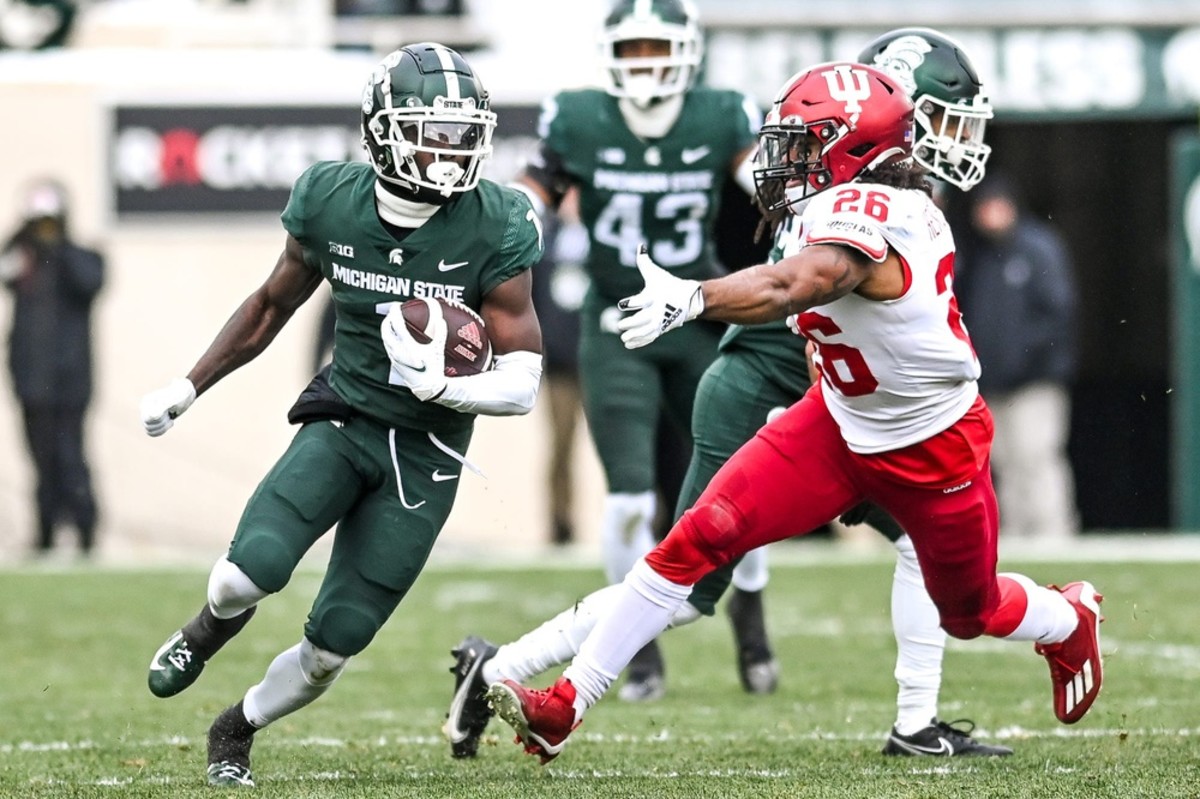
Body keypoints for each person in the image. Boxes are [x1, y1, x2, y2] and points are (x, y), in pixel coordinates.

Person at [485, 59, 1104, 765]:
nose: (783, 159)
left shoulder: (881, 211)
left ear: (854, 150)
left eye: (804, 144)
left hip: (933, 443)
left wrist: (696, 296)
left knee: (972, 610)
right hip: (837, 423)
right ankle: (563, 706)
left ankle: (1066, 616)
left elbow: (797, 282)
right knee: (693, 541)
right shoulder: (837, 201)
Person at [138, 42, 544, 787]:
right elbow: (270, 306)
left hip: (427, 452)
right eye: (432, 130)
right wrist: (190, 385)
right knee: (243, 575)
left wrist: (446, 389)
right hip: (346, 418)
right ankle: (204, 631)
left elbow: (522, 379)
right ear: (382, 130)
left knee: (335, 644)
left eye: (463, 133)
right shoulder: (329, 199)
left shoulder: (495, 222)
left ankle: (236, 725)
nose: (452, 151)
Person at [504, 0, 775, 705]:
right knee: (628, 496)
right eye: (634, 50)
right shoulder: (580, 118)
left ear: (687, 53)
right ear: (610, 57)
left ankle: (750, 610)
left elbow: (775, 188)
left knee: (738, 484)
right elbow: (535, 190)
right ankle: (642, 644)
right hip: (618, 320)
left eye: (661, 48)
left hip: (698, 311)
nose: (648, 63)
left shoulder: (721, 114)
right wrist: (510, 215)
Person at [956, 172, 1080, 542]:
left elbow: (1059, 315)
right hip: (990, 384)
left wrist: (1024, 360)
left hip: (1034, 383)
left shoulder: (1039, 248)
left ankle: (1053, 536)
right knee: (1003, 464)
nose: (991, 215)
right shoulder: (975, 256)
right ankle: (1015, 538)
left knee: (1037, 458)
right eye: (984, 207)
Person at [0, 179, 103, 558]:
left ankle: (85, 531)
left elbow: (91, 282)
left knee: (71, 457)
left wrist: (57, 247)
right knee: (40, 461)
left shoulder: (80, 257)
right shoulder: (22, 259)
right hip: (31, 381)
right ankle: (44, 532)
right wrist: (24, 235)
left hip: (71, 383)